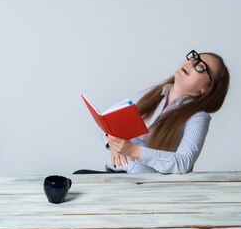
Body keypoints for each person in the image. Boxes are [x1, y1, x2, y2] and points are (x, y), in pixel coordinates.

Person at [79, 50, 229, 174]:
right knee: (77, 177)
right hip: (114, 175)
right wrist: (111, 143)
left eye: (200, 66)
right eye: (193, 57)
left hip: (145, 187)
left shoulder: (198, 118)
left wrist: (132, 150)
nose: (190, 63)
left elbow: (183, 162)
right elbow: (106, 120)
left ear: (207, 89)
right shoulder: (153, 93)